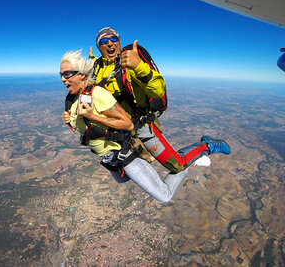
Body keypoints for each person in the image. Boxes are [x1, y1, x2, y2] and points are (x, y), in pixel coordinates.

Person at [60, 50, 208, 202]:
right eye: (61, 75)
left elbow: (127, 124)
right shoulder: (72, 99)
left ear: (81, 75)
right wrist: (70, 120)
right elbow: (86, 126)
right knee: (122, 179)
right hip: (108, 158)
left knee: (165, 195)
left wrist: (92, 116)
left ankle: (192, 160)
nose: (63, 80)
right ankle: (148, 160)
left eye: (67, 74)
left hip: (124, 156)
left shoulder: (97, 94)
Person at [89, 27, 231, 173]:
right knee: (126, 172)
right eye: (103, 41)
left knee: (177, 165)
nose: (110, 44)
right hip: (121, 130)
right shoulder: (97, 68)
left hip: (142, 126)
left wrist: (139, 66)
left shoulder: (129, 64)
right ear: (99, 47)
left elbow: (158, 90)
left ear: (119, 42)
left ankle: (207, 145)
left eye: (113, 39)